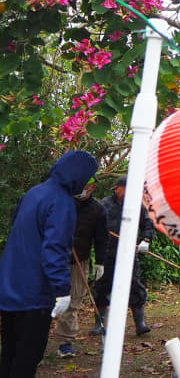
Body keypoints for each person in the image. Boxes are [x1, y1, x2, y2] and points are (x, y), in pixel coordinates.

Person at [0, 150, 98, 377]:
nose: (89, 184)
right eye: (89, 178)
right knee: (27, 357)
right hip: (33, 294)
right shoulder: (61, 202)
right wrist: (62, 290)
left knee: (9, 354)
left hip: (9, 286)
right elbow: (54, 248)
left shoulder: (34, 193)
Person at [91, 174, 155, 336]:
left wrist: (145, 240)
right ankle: (99, 323)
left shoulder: (136, 206)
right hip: (107, 254)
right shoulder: (104, 204)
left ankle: (140, 323)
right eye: (125, 189)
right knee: (101, 287)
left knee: (135, 286)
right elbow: (94, 226)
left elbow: (147, 224)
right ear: (117, 188)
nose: (128, 192)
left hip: (128, 254)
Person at [53, 176, 108, 358]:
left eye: (90, 186)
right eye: (83, 185)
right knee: (46, 298)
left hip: (79, 261)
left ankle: (65, 342)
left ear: (93, 187)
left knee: (73, 301)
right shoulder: (62, 201)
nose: (86, 189)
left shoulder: (98, 210)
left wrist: (100, 262)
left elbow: (101, 239)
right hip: (54, 258)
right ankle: (33, 337)